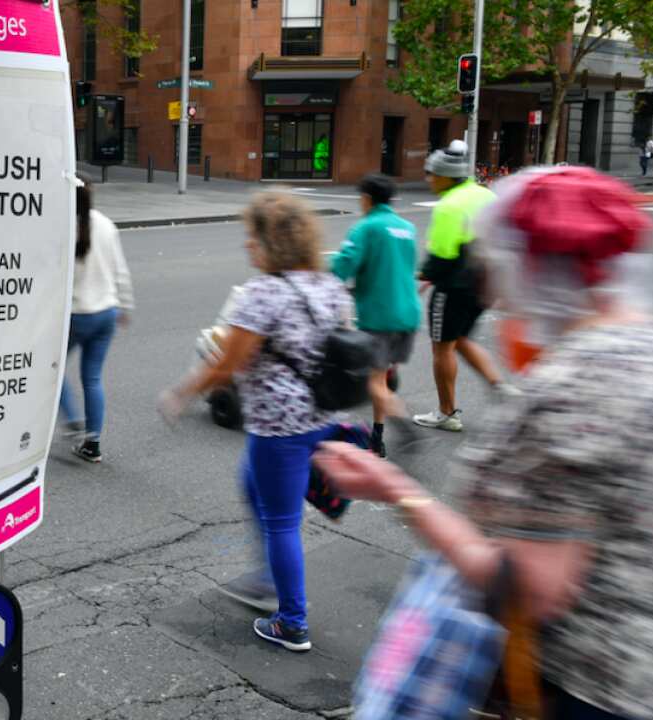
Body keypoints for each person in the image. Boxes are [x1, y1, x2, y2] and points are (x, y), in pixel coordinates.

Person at [315, 166, 653, 720]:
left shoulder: (568, 388)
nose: (499, 298)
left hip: (594, 690)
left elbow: (529, 588)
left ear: (533, 269)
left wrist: (396, 490)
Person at [160, 193, 353, 653]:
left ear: (272, 243)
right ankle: (268, 575)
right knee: (253, 485)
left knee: (282, 522)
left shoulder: (262, 294)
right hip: (322, 416)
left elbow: (227, 365)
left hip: (280, 428)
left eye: (253, 238)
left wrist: (181, 393)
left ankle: (291, 621)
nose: (248, 247)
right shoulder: (327, 285)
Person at [414, 140, 513, 433]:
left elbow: (442, 257)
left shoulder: (448, 206)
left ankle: (447, 413)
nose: (428, 179)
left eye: (431, 174)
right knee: (462, 338)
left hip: (453, 287)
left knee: (442, 347)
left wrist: (423, 274)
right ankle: (500, 387)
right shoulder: (484, 195)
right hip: (484, 283)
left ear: (445, 176)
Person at [330, 174, 420, 457]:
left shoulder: (366, 227)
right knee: (381, 377)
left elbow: (343, 265)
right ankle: (376, 439)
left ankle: (405, 428)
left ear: (367, 199)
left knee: (375, 383)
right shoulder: (407, 228)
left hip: (380, 316)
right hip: (408, 314)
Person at [58, 178, 132, 463]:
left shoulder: (63, 227)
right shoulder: (106, 224)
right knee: (92, 378)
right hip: (106, 313)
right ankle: (93, 443)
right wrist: (125, 304)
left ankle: (73, 419)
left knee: (51, 370)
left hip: (77, 315)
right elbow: (121, 270)